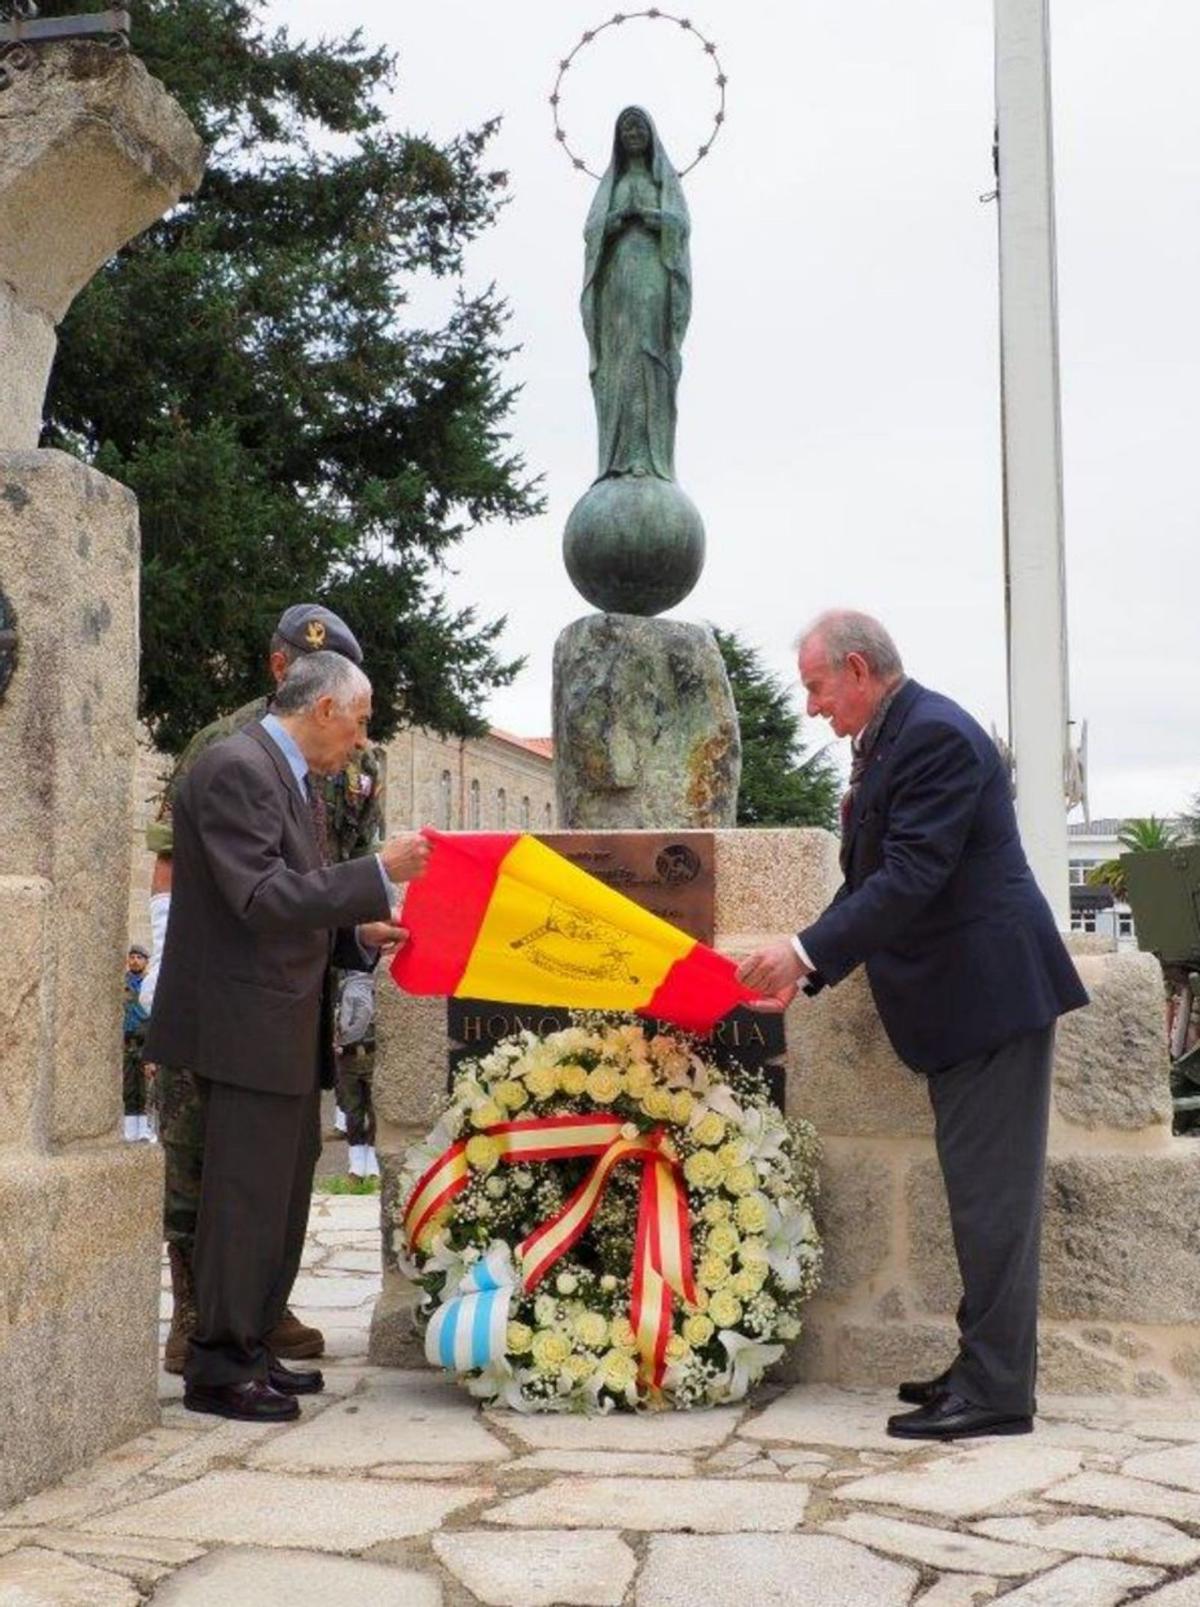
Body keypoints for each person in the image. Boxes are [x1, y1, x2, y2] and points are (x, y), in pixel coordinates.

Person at [737, 610, 1088, 1441]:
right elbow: (870, 883)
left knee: (993, 1207)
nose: (815, 707)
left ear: (858, 669)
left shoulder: (934, 737)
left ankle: (999, 1390)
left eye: (818, 687)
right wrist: (807, 965)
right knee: (978, 1203)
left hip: (990, 1002)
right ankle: (981, 1366)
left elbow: (910, 879)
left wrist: (797, 951)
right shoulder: (899, 737)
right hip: (968, 1007)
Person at [144, 650, 430, 1421]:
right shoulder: (237, 768)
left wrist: (360, 932)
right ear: (326, 708)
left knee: (279, 1200)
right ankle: (218, 1366)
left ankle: (253, 1345)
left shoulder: (292, 778)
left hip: (278, 1026)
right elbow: (262, 897)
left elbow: (295, 903)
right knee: (241, 1202)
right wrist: (377, 869)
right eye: (362, 721)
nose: (362, 741)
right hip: (240, 1028)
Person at [581, 105, 691, 482]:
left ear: (650, 135)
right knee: (619, 358)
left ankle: (649, 455)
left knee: (648, 351)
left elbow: (681, 225)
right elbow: (592, 231)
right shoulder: (611, 184)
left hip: (652, 272)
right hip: (616, 279)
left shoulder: (664, 182)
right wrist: (613, 223)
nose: (631, 133)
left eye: (638, 126)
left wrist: (655, 218)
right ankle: (617, 458)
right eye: (625, 127)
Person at [335, 969, 379, 1180]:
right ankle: (356, 1164)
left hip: (372, 1056)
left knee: (375, 1111)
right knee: (352, 1113)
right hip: (347, 1060)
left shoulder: (376, 986)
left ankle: (372, 1164)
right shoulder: (340, 988)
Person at [122, 945, 152, 1142]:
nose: (134, 961)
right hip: (127, 1040)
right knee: (129, 1085)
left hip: (145, 1040)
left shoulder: (149, 983)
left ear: (145, 961)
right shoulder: (123, 983)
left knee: (145, 1086)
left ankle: (144, 1128)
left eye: (139, 957)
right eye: (132, 957)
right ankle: (130, 1129)